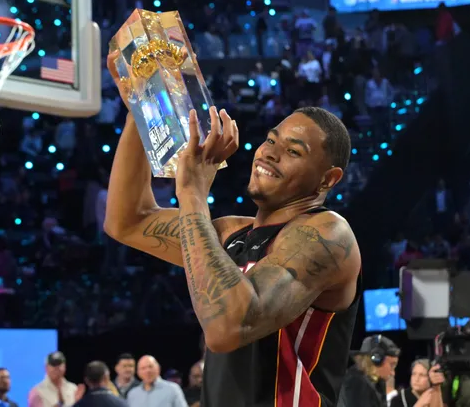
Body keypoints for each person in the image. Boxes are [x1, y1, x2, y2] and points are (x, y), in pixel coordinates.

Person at [105, 100, 361, 406]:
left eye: (293, 151)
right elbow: (127, 221)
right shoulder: (230, 233)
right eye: (270, 140)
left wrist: (192, 195)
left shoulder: (327, 234)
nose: (269, 153)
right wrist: (139, 105)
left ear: (328, 179)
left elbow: (227, 329)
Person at [337, 335, 400, 407]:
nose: (393, 373)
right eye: (392, 365)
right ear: (377, 359)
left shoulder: (377, 383)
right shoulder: (355, 383)